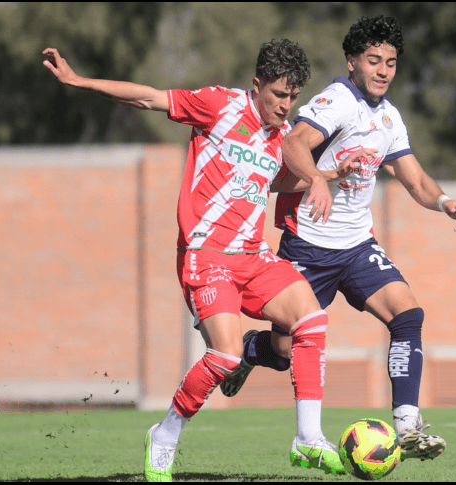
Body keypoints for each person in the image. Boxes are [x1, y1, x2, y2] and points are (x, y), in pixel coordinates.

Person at [42, 39, 366, 481]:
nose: (285, 106)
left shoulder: (277, 137)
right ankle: (166, 433)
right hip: (206, 255)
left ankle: (307, 438)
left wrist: (330, 175)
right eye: (278, 95)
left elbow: (271, 182)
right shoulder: (219, 105)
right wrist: (78, 81)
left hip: (252, 257)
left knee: (312, 321)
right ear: (256, 86)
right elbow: (148, 97)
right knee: (227, 357)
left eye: (292, 97)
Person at [220, 16, 456, 462]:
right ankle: (249, 350)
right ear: (352, 61)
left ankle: (408, 426)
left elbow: (414, 178)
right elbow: (292, 144)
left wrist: (444, 200)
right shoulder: (337, 101)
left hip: (356, 246)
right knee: (283, 351)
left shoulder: (389, 117)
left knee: (408, 313)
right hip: (307, 247)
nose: (383, 70)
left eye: (391, 62)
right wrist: (317, 179)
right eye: (373, 60)